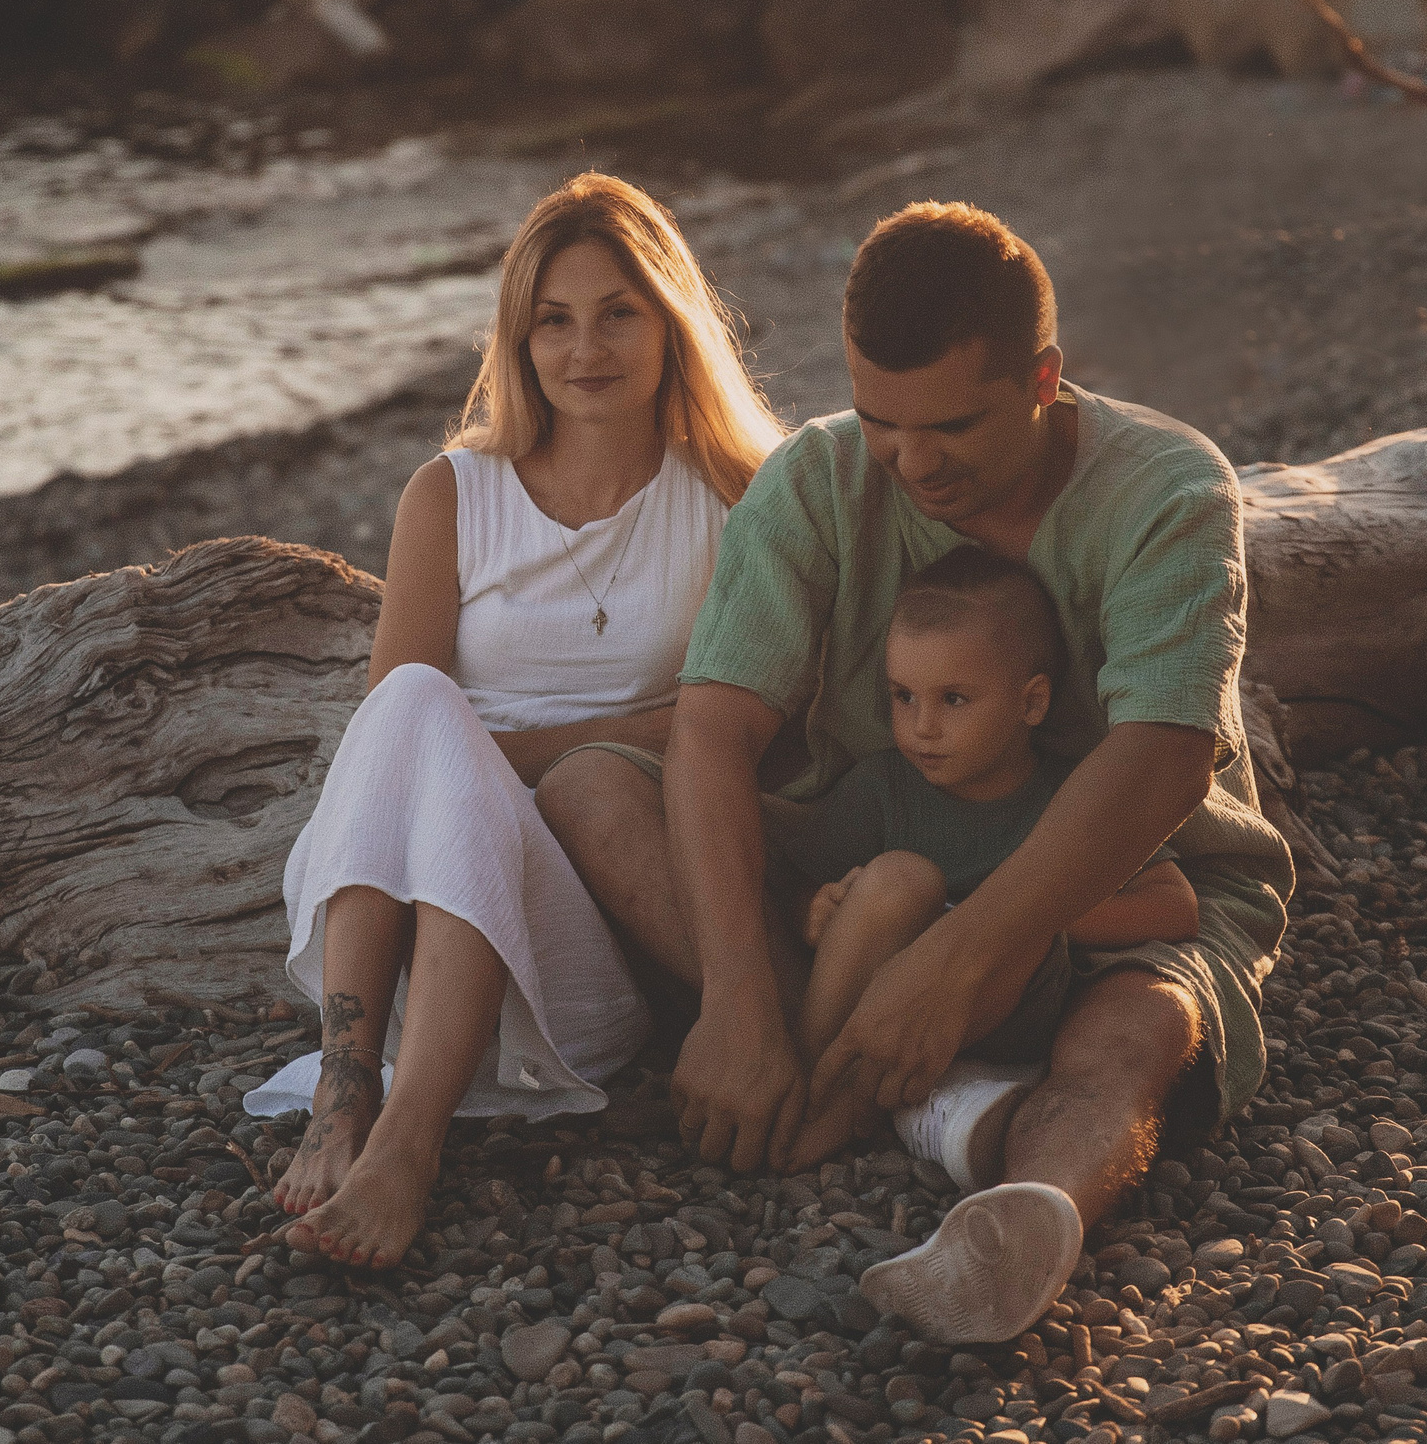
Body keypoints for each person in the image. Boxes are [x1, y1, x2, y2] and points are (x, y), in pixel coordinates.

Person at [538, 201, 1294, 1345]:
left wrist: (959, 951)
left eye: (950, 425)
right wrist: (738, 995)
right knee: (593, 786)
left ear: (1044, 376)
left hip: (1108, 886)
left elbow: (1162, 759)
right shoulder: (815, 482)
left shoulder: (1166, 491)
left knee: (1137, 1031)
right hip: (863, 846)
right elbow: (711, 730)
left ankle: (1019, 1223)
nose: (911, 461)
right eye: (879, 420)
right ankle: (840, 1075)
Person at [241, 171, 785, 1269]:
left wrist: (501, 758)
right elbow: (391, 731)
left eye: (617, 313)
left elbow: (751, 724)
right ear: (519, 340)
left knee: (434, 723)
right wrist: (639, 720)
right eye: (553, 321)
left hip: (584, 952)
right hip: (409, 933)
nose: (586, 348)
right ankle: (347, 1099)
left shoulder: (729, 499)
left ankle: (407, 1144)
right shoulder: (452, 494)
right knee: (413, 707)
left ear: (670, 323)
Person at [779, 546, 1200, 1174]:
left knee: (955, 909)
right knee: (897, 881)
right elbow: (802, 887)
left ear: (1031, 704)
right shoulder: (880, 788)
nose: (922, 727)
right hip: (876, 1009)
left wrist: (1014, 916)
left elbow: (1176, 908)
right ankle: (816, 1079)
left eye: (953, 700)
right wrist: (816, 907)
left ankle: (834, 1109)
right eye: (902, 696)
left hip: (1007, 1005)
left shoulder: (1068, 799)